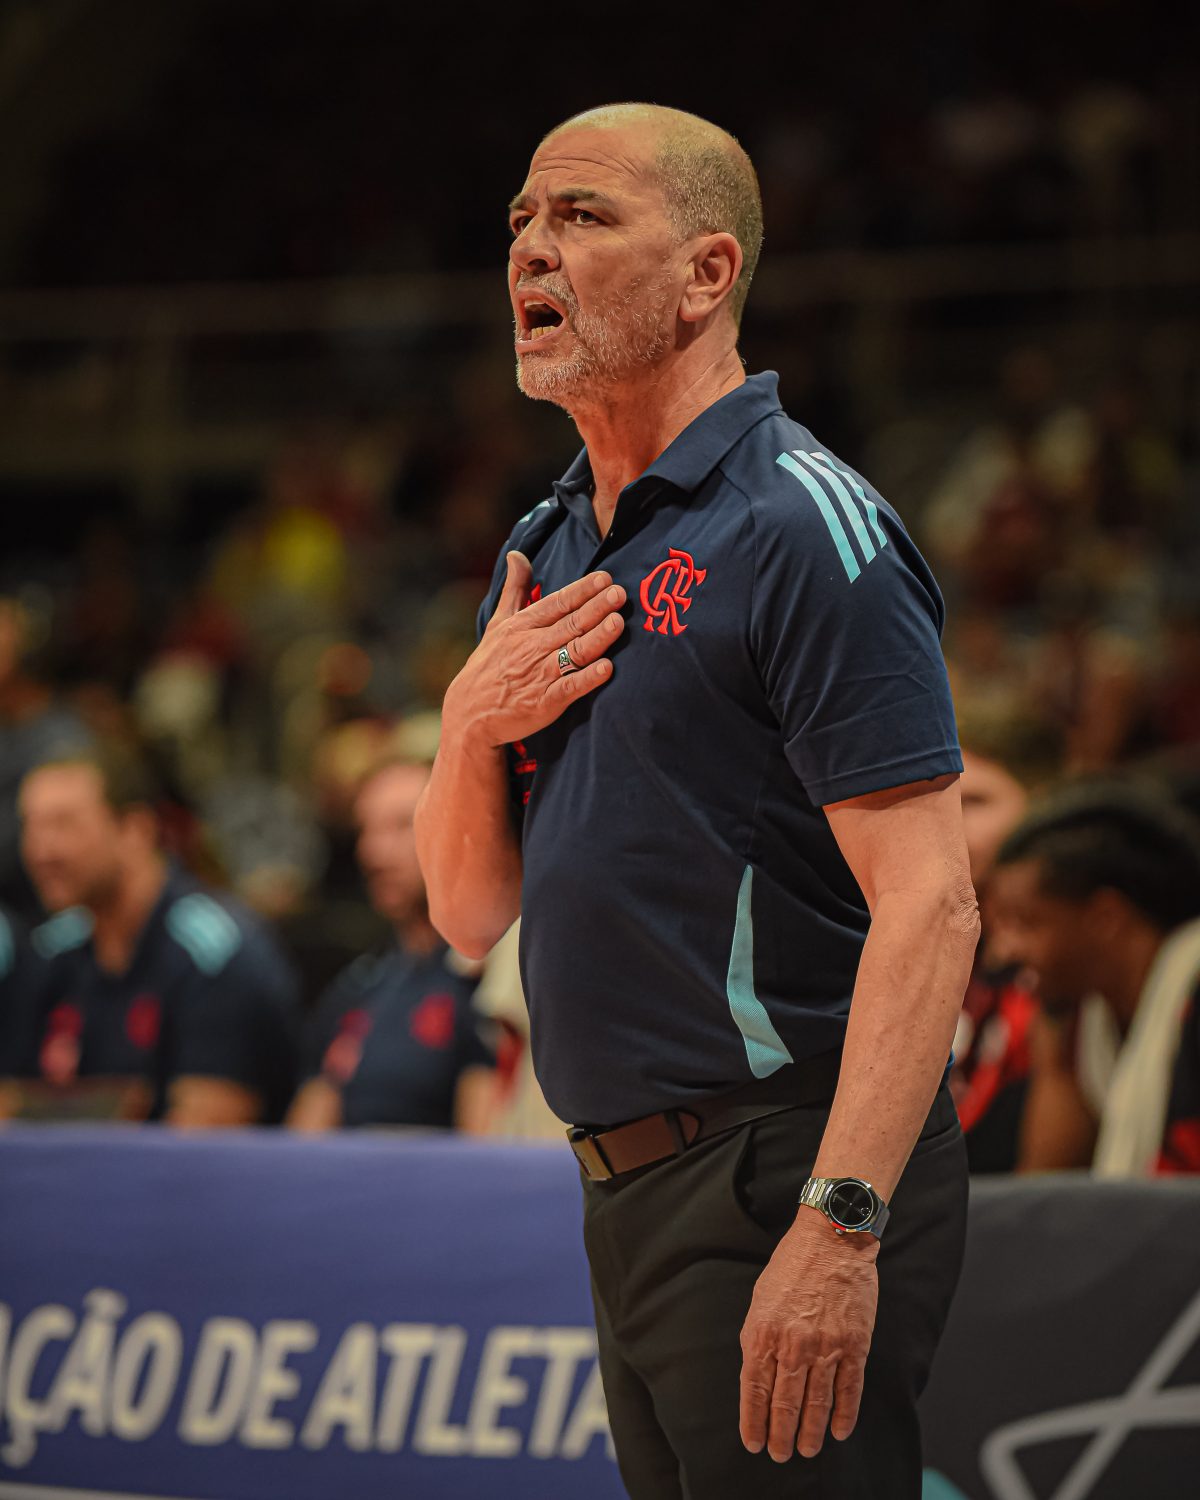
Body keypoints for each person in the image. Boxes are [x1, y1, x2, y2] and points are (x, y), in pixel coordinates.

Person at [414, 103, 978, 1498]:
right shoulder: (545, 545)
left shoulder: (805, 526)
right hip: (625, 1186)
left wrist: (839, 1225)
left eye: (582, 216)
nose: (530, 248)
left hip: (784, 1167)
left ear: (706, 274)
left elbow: (933, 904)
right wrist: (466, 723)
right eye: (521, 220)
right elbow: (469, 912)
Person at [1, 749, 299, 1125]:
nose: (41, 851)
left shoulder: (214, 956)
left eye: (64, 825)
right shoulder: (47, 953)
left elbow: (204, 1142)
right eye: (31, 827)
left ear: (135, 830)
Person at [989, 784, 1200, 1175]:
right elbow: (1045, 1187)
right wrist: (1054, 1064)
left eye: (1026, 923)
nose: (1003, 951)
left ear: (1106, 917)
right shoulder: (1086, 1015)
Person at [287, 755, 497, 1132]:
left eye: (401, 826)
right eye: (366, 830)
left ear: (456, 828)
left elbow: (490, 1150)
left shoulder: (488, 984)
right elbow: (304, 1140)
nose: (373, 854)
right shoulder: (358, 986)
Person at [949, 711, 1060, 1171]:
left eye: (973, 801)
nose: (947, 824)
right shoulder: (936, 948)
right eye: (935, 804)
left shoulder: (1067, 959)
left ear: (1041, 803)